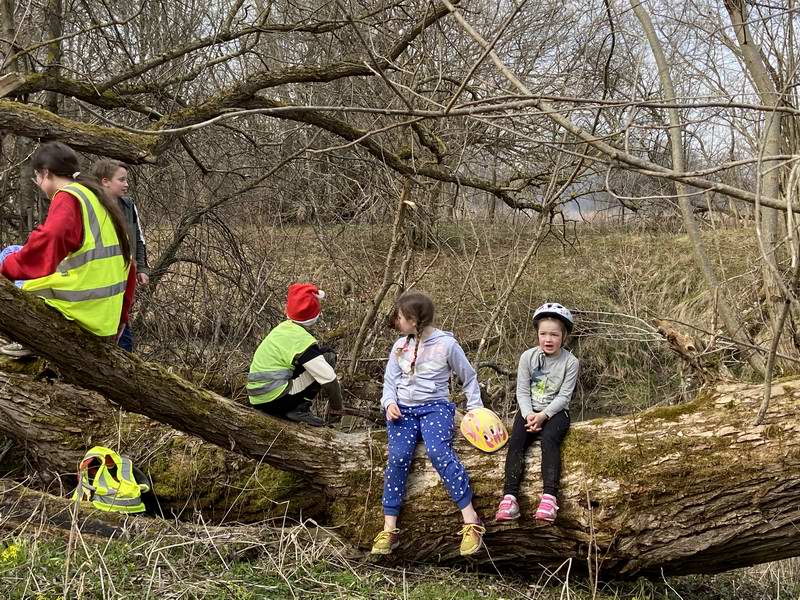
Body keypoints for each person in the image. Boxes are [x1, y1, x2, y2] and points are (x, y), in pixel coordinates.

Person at [371, 290, 485, 557]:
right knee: (398, 457)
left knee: (438, 452)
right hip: (403, 411)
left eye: (400, 317)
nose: (396, 321)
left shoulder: (446, 345)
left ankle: (471, 521)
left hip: (435, 408)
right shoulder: (399, 346)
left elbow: (468, 378)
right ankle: (389, 528)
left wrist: (476, 410)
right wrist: (389, 403)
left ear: (414, 319)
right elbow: (389, 383)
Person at [0, 142, 135, 357]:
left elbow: (49, 241)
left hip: (82, 310)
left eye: (37, 178)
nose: (38, 184)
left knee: (6, 257)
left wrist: (5, 270)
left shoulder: (69, 196)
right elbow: (130, 264)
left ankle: (34, 337)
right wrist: (121, 319)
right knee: (15, 251)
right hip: (104, 316)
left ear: (45, 173)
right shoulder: (95, 195)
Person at [495, 302, 579, 524]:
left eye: (554, 334)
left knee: (550, 440)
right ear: (537, 334)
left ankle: (550, 497)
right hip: (529, 409)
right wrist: (528, 413)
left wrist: (543, 416)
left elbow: (564, 397)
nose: (548, 339)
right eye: (543, 334)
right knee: (516, 441)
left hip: (556, 412)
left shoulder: (571, 362)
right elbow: (522, 390)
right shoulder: (527, 357)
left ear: (564, 336)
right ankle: (509, 497)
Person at [247, 283, 343, 427]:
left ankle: (294, 406)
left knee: (314, 358)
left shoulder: (282, 329)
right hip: (275, 400)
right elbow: (329, 379)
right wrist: (337, 409)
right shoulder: (301, 340)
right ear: (314, 315)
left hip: (256, 397)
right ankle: (299, 408)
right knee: (328, 356)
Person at [92, 159, 150, 352]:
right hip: (101, 277)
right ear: (105, 181)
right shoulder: (92, 205)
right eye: (121, 180)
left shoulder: (128, 205)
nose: (126, 185)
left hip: (125, 274)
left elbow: (138, 237)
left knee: (122, 319)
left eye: (127, 180)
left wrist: (141, 267)